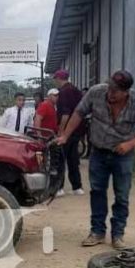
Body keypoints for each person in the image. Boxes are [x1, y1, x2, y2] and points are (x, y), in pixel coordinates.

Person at [56, 70, 135, 249]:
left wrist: (130, 144)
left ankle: (118, 234)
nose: (110, 93)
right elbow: (78, 113)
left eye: (115, 91)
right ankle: (97, 232)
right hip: (99, 152)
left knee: (122, 195)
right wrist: (65, 135)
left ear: (126, 92)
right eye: (110, 88)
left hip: (123, 156)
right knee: (97, 191)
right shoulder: (96, 92)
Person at [54, 69, 85, 197]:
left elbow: (65, 114)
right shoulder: (76, 90)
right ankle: (77, 187)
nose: (55, 81)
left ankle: (59, 188)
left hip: (67, 131)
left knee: (60, 159)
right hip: (77, 130)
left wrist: (61, 132)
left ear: (59, 78)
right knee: (73, 159)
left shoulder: (64, 92)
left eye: (55, 78)